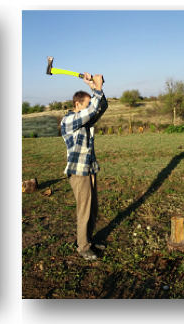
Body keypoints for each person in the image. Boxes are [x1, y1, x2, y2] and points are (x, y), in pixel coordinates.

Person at [60, 73, 108, 260]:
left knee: (92, 209)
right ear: (77, 104)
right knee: (84, 210)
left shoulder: (85, 118)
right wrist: (95, 88)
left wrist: (96, 88)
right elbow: (92, 110)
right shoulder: (70, 120)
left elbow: (101, 107)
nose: (90, 108)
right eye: (86, 105)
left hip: (89, 170)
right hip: (78, 173)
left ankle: (87, 239)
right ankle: (83, 246)